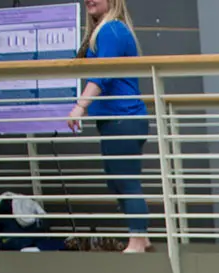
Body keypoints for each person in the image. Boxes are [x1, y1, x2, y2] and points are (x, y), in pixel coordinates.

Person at [66, 0, 151, 254]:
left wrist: (80, 106)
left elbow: (102, 74)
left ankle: (137, 239)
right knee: (118, 181)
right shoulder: (104, 31)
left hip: (123, 118)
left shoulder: (112, 29)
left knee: (125, 181)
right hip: (116, 120)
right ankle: (140, 237)